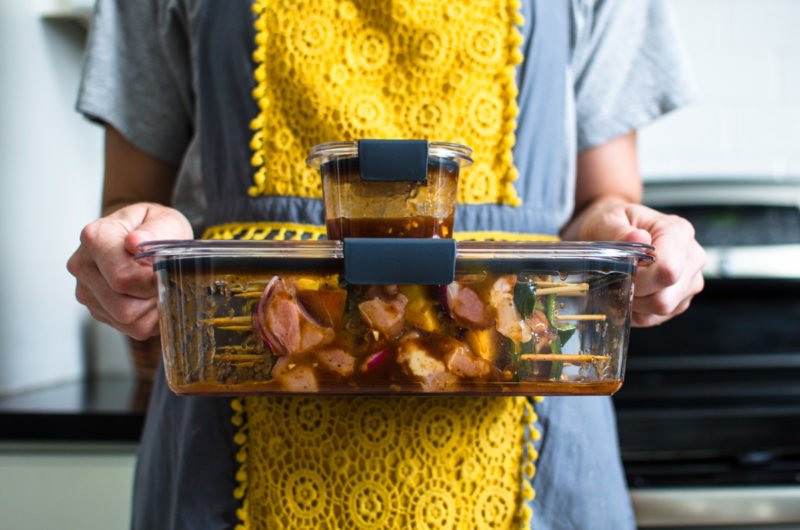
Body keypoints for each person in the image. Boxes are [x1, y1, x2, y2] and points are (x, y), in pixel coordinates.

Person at [67, 0, 706, 528]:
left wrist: (630, 238)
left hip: (529, 407)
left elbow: (602, 201)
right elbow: (131, 196)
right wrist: (138, 244)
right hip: (235, 407)